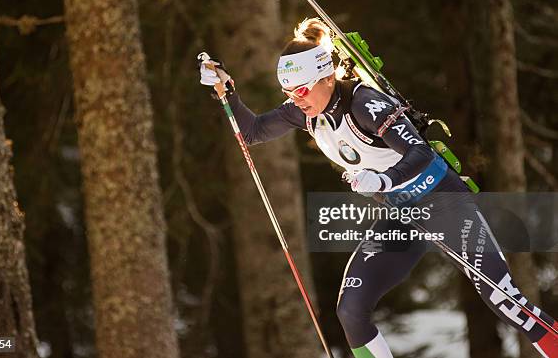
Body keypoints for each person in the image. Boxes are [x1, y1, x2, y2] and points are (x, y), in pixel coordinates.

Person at [199, 18, 557, 358]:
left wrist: (384, 179)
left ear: (326, 77)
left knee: (504, 300)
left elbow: (420, 151)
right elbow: (253, 132)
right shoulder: (305, 111)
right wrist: (224, 91)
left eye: (302, 89)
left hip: (442, 202)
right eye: (288, 92)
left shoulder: (365, 103)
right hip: (402, 216)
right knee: (351, 310)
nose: (296, 99)